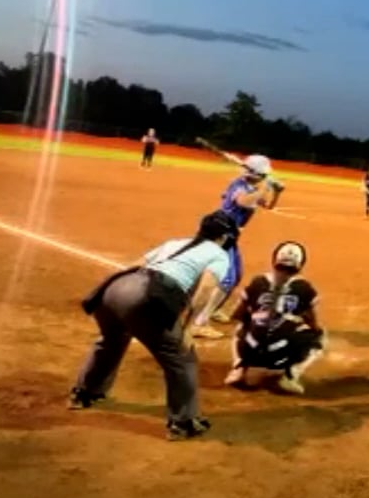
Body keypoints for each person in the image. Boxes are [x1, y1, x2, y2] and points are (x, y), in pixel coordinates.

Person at [68, 210, 240, 441]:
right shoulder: (219, 254)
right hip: (145, 297)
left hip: (114, 289)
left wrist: (115, 294)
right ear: (225, 237)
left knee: (112, 340)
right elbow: (206, 288)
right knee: (182, 357)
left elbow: (135, 265)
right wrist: (188, 328)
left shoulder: (176, 243)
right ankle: (183, 423)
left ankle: (84, 394)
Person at [196, 154, 285, 335]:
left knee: (236, 276)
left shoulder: (253, 187)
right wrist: (265, 185)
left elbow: (268, 205)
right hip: (222, 235)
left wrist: (276, 192)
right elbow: (243, 201)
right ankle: (200, 322)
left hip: (231, 236)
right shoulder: (239, 185)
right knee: (227, 279)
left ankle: (213, 309)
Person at [224, 240, 324, 396]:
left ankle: (238, 368)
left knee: (242, 325)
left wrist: (258, 317)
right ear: (300, 265)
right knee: (319, 337)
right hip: (279, 355)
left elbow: (236, 315)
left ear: (274, 260)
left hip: (251, 351)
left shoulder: (258, 282)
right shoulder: (305, 288)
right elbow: (314, 323)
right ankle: (291, 375)